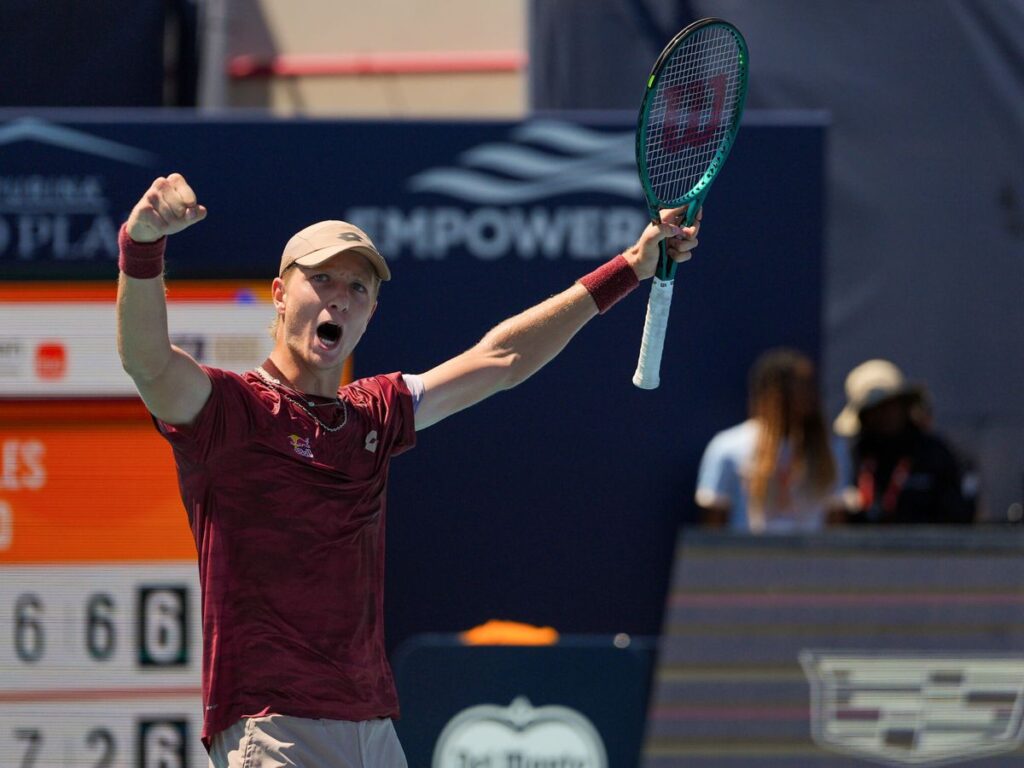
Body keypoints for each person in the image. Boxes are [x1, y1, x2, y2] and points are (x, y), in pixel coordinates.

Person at [115, 173, 701, 767]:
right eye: (321, 279)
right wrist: (143, 245)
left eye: (358, 288)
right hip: (273, 727)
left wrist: (629, 268)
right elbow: (149, 362)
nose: (340, 298)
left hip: (371, 728)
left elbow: (502, 358)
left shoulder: (374, 413)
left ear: (370, 314)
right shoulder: (230, 411)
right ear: (280, 294)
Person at [695, 347, 842, 533]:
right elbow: (713, 527)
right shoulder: (727, 446)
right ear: (774, 393)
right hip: (747, 552)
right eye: (800, 386)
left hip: (812, 552)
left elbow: (837, 523)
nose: (810, 395)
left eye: (810, 386)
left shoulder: (832, 448)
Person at [833, 358, 974, 524]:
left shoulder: (935, 454)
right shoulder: (852, 457)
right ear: (863, 417)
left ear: (903, 405)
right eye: (874, 409)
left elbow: (957, 515)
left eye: (889, 405)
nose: (884, 415)